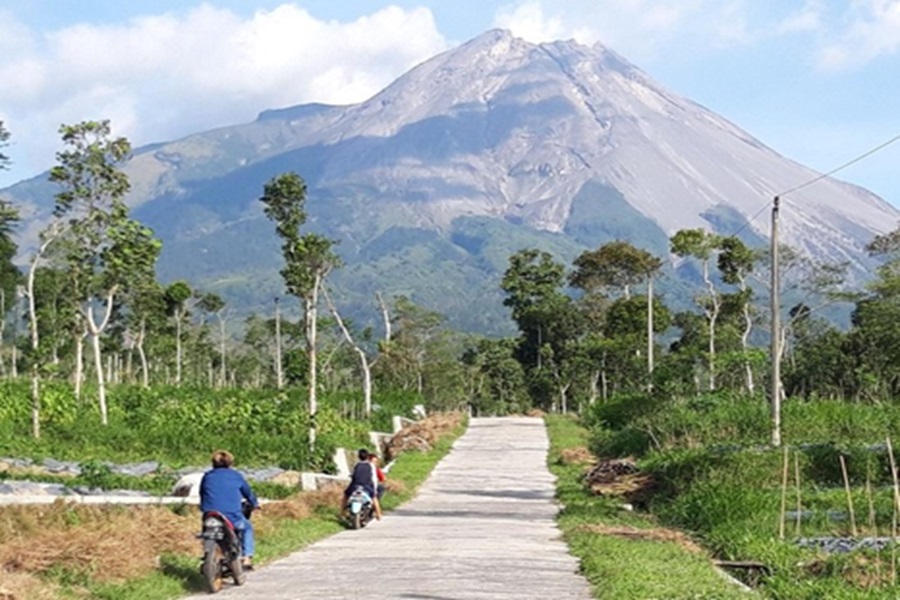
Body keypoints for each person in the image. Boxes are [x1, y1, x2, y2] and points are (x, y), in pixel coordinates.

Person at [199, 450, 260, 569]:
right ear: (230, 463)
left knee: (206, 531)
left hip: (210, 514)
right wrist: (254, 503)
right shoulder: (236, 476)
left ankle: (206, 553)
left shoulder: (207, 476)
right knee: (247, 528)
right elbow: (248, 493)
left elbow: (202, 493)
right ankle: (247, 557)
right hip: (231, 516)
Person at [342, 448, 382, 520]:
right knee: (374, 497)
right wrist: (374, 489)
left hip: (355, 485)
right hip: (366, 485)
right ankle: (378, 514)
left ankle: (342, 513)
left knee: (346, 495)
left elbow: (353, 476)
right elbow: (373, 478)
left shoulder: (357, 465)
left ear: (358, 456)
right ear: (367, 457)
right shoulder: (370, 466)